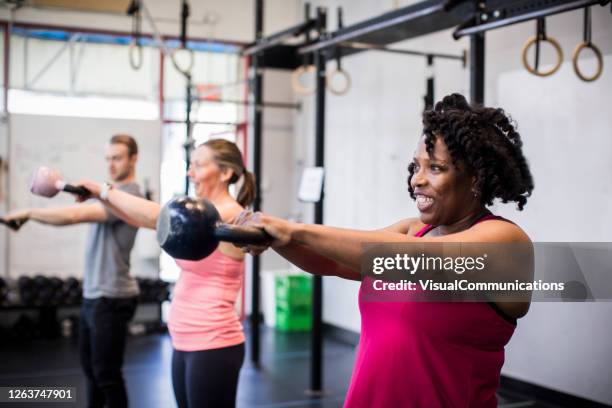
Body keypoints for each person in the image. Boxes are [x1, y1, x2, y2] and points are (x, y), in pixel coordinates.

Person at [236, 94, 535, 408]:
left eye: (435, 167)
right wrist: (275, 238)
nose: (417, 179)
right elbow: (330, 260)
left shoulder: (504, 240)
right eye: (416, 166)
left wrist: (293, 229)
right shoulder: (412, 230)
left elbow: (414, 258)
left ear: (475, 176)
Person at [76, 139, 254, 408]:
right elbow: (139, 219)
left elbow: (158, 216)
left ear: (226, 173)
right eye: (190, 165)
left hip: (213, 341)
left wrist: (103, 190)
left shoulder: (228, 214)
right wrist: (104, 198)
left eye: (198, 165)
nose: (190, 172)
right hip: (184, 339)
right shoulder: (204, 212)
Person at [5, 134, 142, 408]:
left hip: (113, 297)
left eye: (117, 158)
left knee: (107, 375)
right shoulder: (108, 194)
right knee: (92, 373)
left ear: (133, 159)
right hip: (94, 294)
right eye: (108, 158)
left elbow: (73, 216)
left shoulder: (129, 196)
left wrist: (30, 213)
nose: (111, 164)